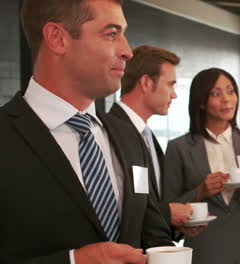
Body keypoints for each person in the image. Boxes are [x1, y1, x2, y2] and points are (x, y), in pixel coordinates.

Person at [0, 0, 173, 263]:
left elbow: (151, 234)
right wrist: (73, 261)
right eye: (112, 34)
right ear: (57, 39)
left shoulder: (128, 137)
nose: (128, 51)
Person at [163, 68, 240, 264]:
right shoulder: (179, 148)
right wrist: (199, 192)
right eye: (215, 93)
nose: (227, 99)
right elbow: (167, 206)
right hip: (206, 247)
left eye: (230, 91)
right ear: (201, 102)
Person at [108, 45, 204, 237]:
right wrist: (169, 213)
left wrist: (175, 225)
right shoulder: (110, 132)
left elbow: (150, 205)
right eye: (170, 84)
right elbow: (114, 208)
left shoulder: (148, 136)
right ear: (146, 83)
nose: (174, 94)